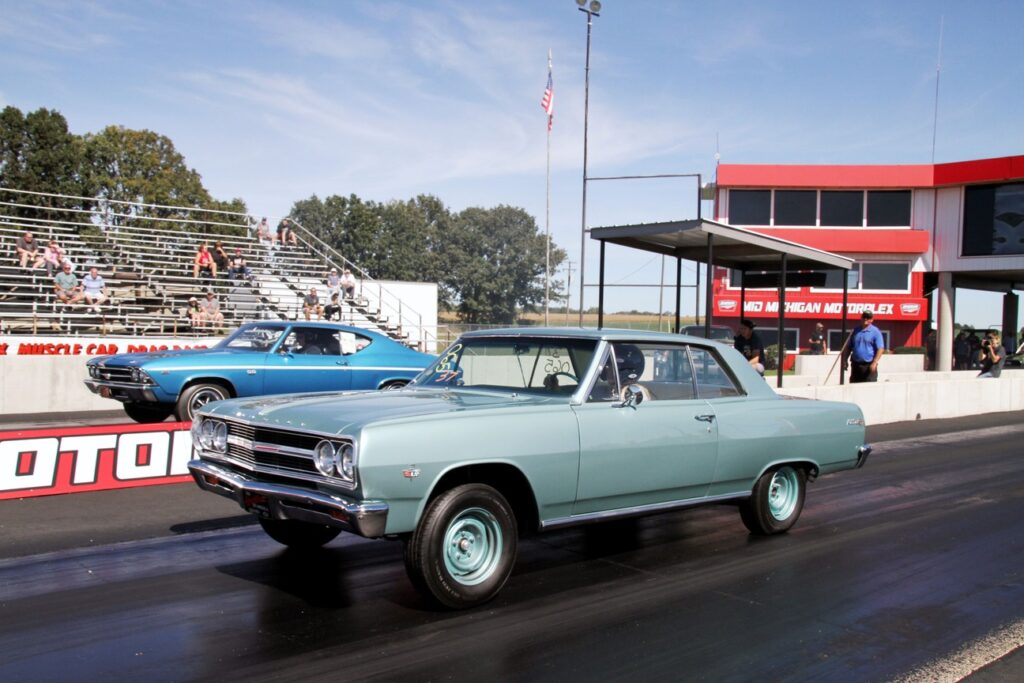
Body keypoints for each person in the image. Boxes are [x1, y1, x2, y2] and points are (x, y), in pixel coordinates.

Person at [842, 310, 885, 383]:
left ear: (871, 320)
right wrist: (845, 360)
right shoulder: (855, 331)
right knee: (854, 386)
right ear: (861, 318)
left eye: (868, 317)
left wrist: (874, 362)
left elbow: (880, 349)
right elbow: (849, 347)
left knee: (869, 388)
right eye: (864, 317)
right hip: (856, 365)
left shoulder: (875, 332)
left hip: (869, 365)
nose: (865, 319)